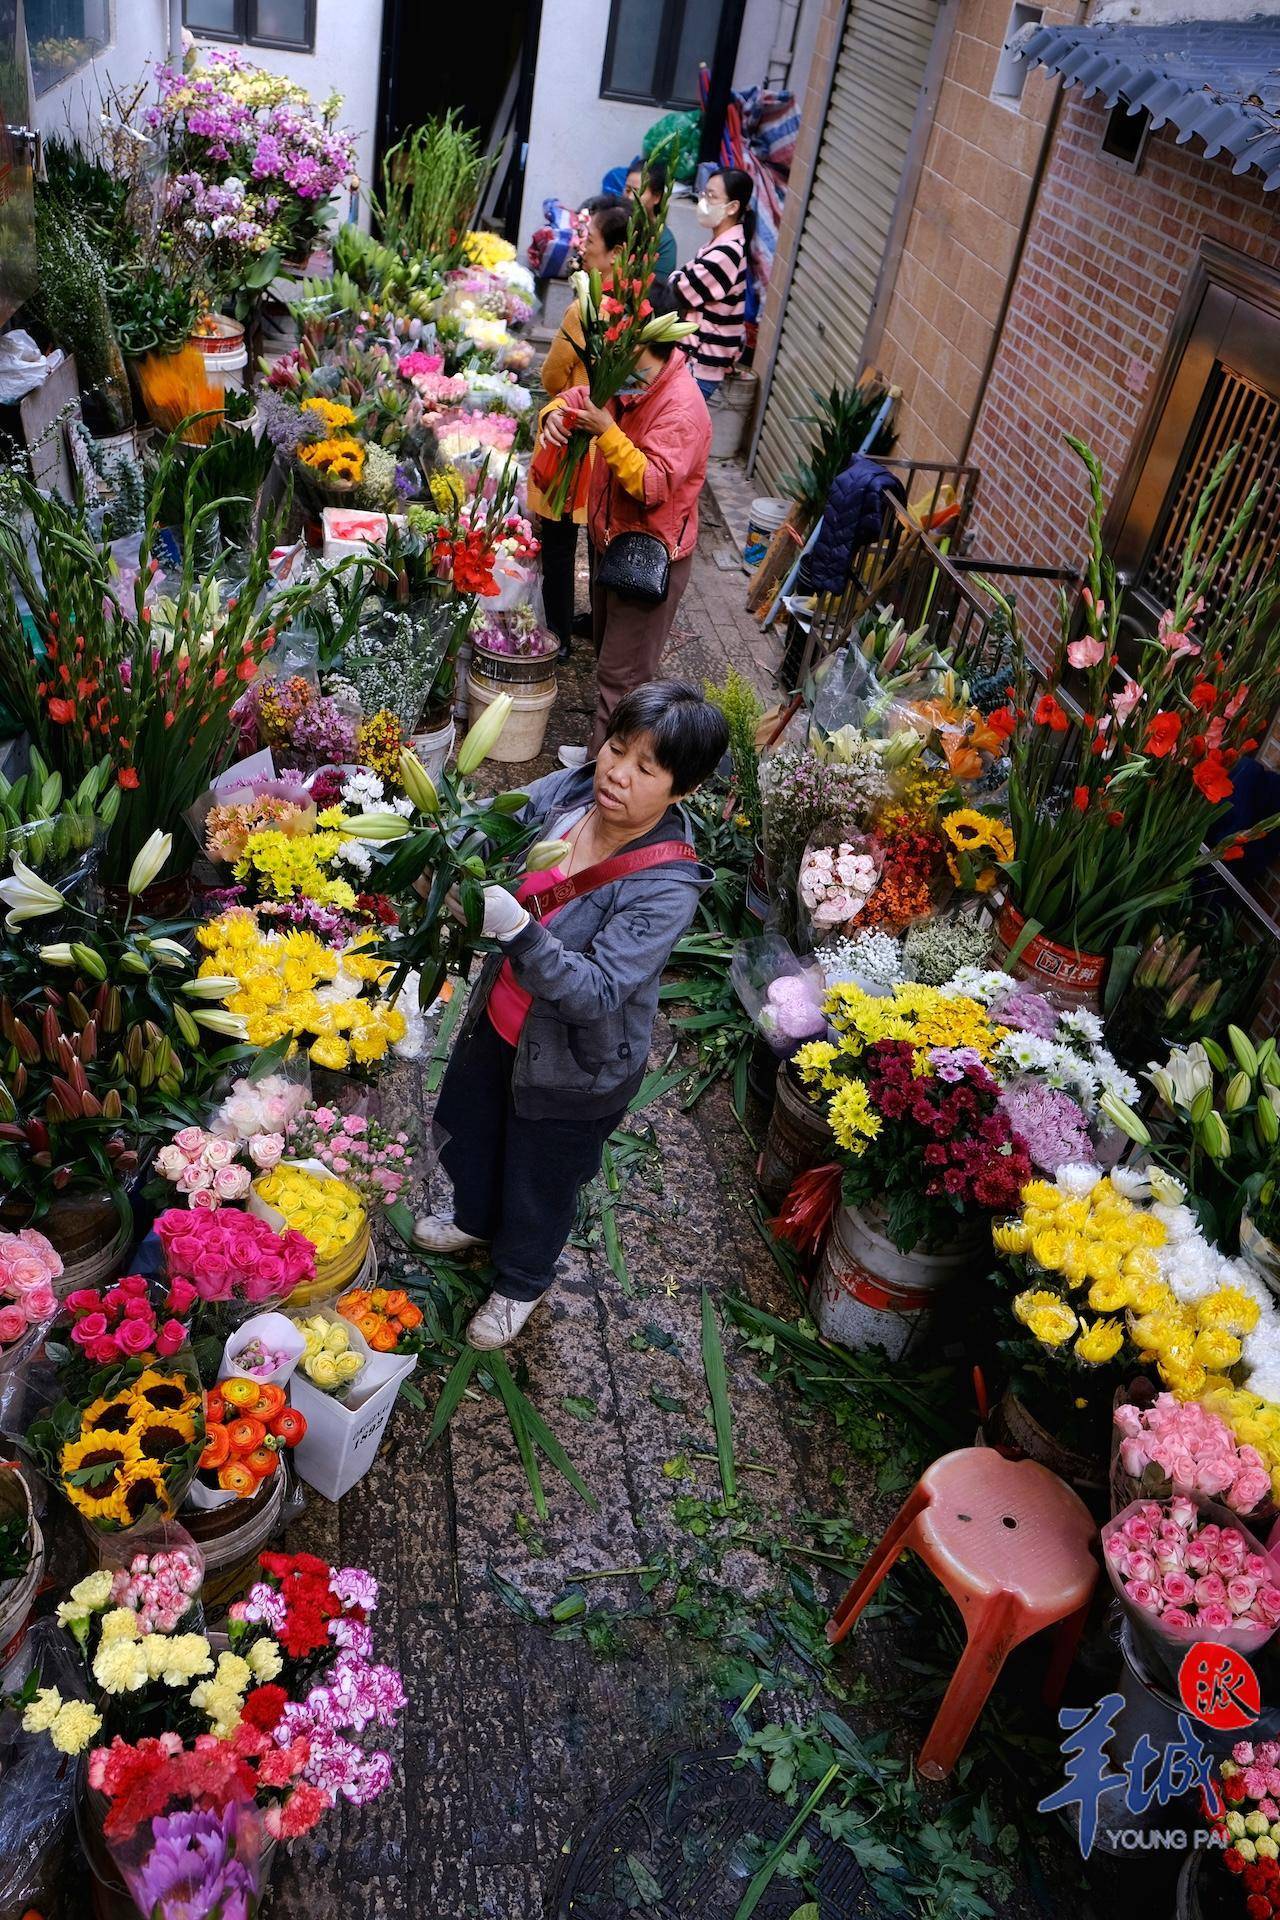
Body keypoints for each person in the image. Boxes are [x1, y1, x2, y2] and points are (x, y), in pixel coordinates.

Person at [415, 681, 730, 1350]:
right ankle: (473, 1218)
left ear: (685, 790)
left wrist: (516, 929)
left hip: (575, 1067)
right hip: (499, 1023)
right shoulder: (568, 792)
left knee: (542, 1180)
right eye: (618, 748)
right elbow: (488, 824)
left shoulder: (665, 885)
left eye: (647, 768)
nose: (617, 773)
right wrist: (441, 846)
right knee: (474, 1132)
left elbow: (596, 991)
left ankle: (521, 1281)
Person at [539, 280, 711, 769]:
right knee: (609, 660)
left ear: (643, 338)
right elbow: (580, 395)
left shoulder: (681, 407)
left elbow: (651, 484)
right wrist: (556, 413)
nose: (606, 340)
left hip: (647, 555)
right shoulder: (632, 377)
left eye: (617, 328)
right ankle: (599, 754)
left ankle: (601, 778)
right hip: (612, 541)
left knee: (624, 677)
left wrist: (607, 432)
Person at [527, 194, 630, 658]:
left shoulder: (584, 311)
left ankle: (559, 636)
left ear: (616, 253)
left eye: (590, 240)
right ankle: (598, 627)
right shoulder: (634, 311)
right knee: (601, 540)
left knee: (559, 543)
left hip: (573, 440)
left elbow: (552, 377)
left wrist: (568, 391)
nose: (582, 246)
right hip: (613, 441)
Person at [668, 167, 754, 400]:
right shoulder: (721, 245)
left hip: (698, 365)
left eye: (712, 196)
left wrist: (678, 277)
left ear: (732, 207)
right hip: (693, 362)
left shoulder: (726, 253)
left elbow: (679, 291)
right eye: (704, 194)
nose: (704, 201)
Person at [625, 157, 677, 280]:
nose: (630, 197)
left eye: (638, 192)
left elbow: (657, 286)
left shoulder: (664, 242)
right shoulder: (617, 224)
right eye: (627, 190)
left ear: (657, 197)